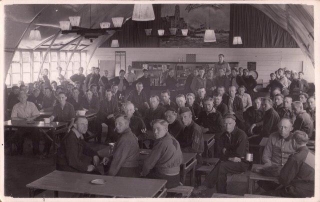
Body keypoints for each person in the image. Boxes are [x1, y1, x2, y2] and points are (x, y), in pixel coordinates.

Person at [195, 113, 249, 194]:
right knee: (220, 166)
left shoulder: (241, 134)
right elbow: (220, 153)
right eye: (225, 123)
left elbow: (239, 154)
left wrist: (226, 152)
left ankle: (211, 188)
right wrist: (230, 156)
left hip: (243, 162)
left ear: (235, 124)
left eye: (230, 123)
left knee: (221, 166)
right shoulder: (223, 135)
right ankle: (219, 192)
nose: (227, 126)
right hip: (230, 161)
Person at [267, 130, 314, 198]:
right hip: (311, 192)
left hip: (296, 192)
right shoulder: (312, 154)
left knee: (264, 194)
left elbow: (283, 180)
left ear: (293, 141)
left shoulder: (295, 157)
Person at [252, 118, 295, 191]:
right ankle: (277, 189)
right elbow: (266, 155)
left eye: (285, 127)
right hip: (274, 167)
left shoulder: (295, 139)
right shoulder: (272, 136)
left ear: (291, 128)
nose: (282, 129)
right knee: (256, 171)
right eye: (280, 127)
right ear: (278, 127)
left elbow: (297, 158)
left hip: (288, 169)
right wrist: (269, 164)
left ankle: (277, 189)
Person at [142, 119, 183, 188]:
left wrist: (143, 174)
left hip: (166, 179)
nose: (155, 132)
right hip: (176, 177)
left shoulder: (162, 143)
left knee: (139, 178)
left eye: (158, 129)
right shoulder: (172, 139)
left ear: (166, 130)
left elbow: (148, 164)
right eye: (154, 129)